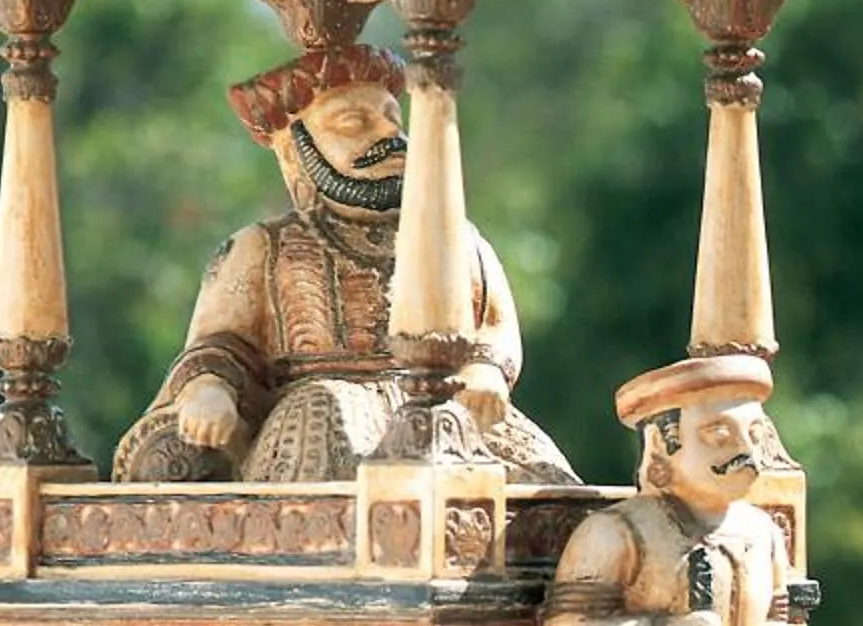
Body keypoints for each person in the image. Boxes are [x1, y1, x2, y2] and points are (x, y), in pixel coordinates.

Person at [114, 43, 571, 483]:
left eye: (394, 119)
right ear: (295, 152)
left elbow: (493, 324)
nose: (390, 136)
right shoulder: (262, 247)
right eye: (355, 122)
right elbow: (220, 343)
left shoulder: (456, 239)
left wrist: (485, 370)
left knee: (549, 495)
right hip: (320, 412)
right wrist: (209, 389)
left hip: (451, 412)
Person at [479, 353, 805, 626]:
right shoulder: (617, 533)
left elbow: (774, 620)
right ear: (660, 449)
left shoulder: (763, 533)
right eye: (717, 435)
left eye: (754, 435)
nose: (743, 452)